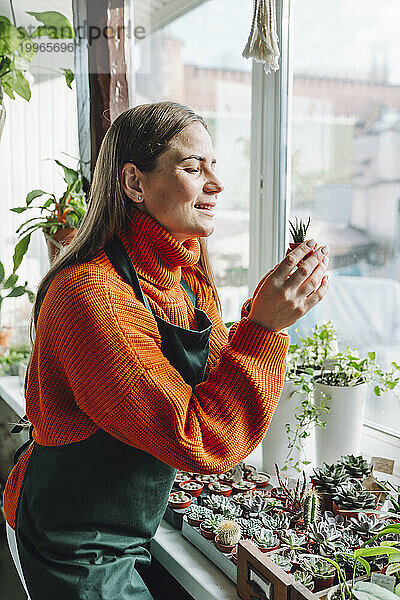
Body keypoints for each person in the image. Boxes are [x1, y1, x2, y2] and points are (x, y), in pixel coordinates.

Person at [3, 101, 329, 599]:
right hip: (75, 543)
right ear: (134, 183)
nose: (216, 185)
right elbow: (196, 436)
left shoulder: (185, 275)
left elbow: (215, 375)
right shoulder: (92, 294)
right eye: (193, 168)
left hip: (134, 529)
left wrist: (267, 313)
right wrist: (263, 327)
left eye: (213, 166)